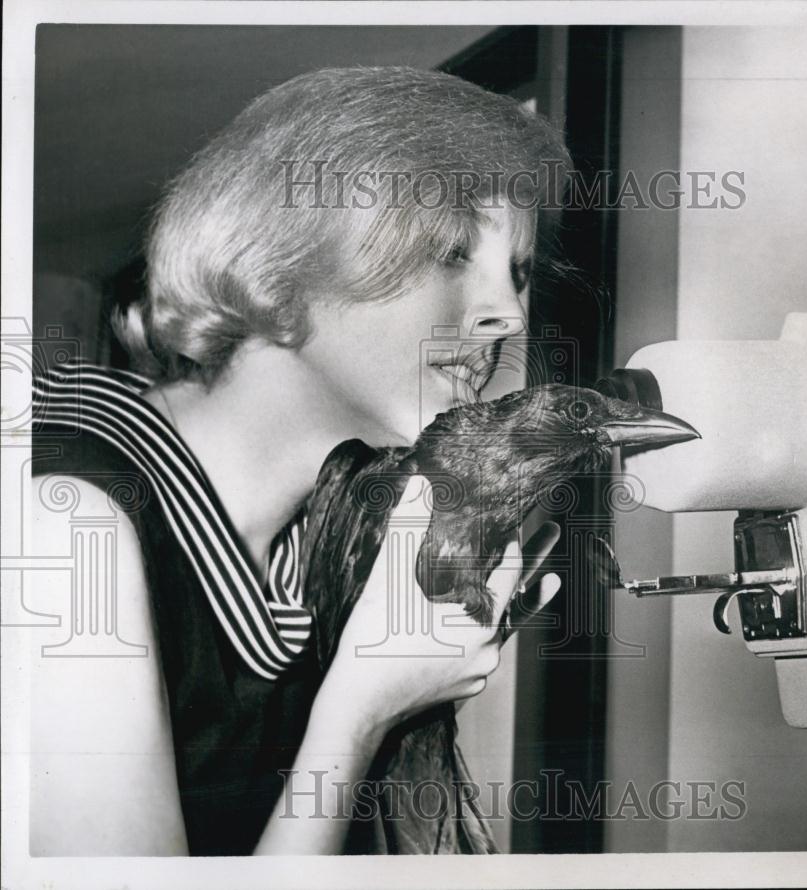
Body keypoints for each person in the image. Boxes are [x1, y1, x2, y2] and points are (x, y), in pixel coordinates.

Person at [29, 65, 570, 855]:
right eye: (452, 253)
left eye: (516, 273)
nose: (507, 313)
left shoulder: (329, 543)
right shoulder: (62, 525)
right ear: (281, 266)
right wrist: (360, 711)